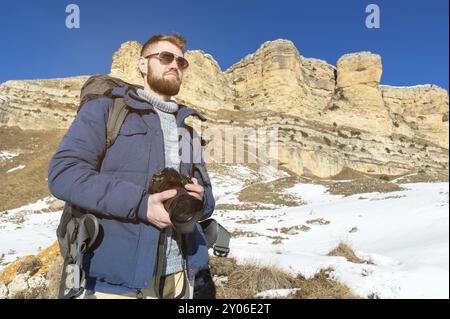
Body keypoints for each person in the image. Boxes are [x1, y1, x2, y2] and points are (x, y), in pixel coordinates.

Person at [48, 33, 215, 299]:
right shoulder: (108, 110)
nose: (175, 65)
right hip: (114, 283)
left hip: (182, 278)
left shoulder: (189, 132)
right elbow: (64, 173)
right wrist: (140, 204)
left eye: (181, 62)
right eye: (165, 57)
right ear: (142, 64)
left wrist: (200, 198)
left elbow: (208, 200)